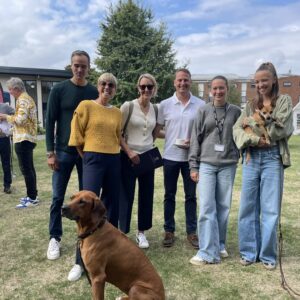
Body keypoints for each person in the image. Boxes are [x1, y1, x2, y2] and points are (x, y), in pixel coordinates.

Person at [233, 62, 293, 270]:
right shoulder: (250, 104)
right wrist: (254, 139)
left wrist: (251, 128)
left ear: (274, 80)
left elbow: (281, 129)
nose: (260, 85)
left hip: (272, 158)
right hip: (251, 159)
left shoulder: (284, 101)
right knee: (247, 208)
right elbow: (236, 130)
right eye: (257, 81)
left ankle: (267, 255)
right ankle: (249, 253)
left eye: (264, 80)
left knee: (270, 209)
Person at [45, 50, 98, 282]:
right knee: (58, 198)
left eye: (84, 66)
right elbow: (50, 122)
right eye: (76, 65)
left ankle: (85, 241)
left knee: (84, 203)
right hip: (64, 153)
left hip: (87, 155)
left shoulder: (94, 91)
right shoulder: (59, 90)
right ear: (71, 66)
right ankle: (55, 237)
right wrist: (50, 152)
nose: (80, 69)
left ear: (89, 67)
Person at [69, 72, 121, 277]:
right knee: (85, 206)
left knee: (110, 205)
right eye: (103, 84)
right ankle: (79, 261)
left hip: (114, 160)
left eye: (111, 85)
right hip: (92, 158)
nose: (107, 87)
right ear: (98, 86)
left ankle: (112, 253)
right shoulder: (86, 105)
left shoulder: (117, 112)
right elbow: (77, 135)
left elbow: (118, 137)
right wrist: (88, 156)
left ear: (115, 89)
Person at [188, 75, 241, 265]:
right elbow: (195, 139)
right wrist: (193, 165)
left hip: (228, 165)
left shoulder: (236, 111)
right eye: (215, 88)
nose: (218, 92)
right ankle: (205, 251)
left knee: (223, 208)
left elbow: (241, 136)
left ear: (227, 89)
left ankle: (219, 244)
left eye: (222, 88)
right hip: (207, 164)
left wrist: (240, 154)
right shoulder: (203, 110)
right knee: (206, 207)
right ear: (210, 90)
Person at [155, 68, 205, 248]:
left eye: (186, 80)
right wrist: (170, 135)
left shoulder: (200, 105)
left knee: (191, 196)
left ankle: (192, 232)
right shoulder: (165, 105)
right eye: (179, 80)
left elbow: (204, 132)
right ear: (174, 82)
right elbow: (157, 130)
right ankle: (169, 230)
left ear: (190, 81)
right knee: (169, 195)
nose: (182, 83)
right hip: (170, 156)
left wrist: (193, 141)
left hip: (191, 159)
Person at [119, 73, 158, 248]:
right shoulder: (128, 106)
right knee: (126, 195)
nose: (146, 90)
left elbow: (155, 131)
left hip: (147, 157)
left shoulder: (156, 109)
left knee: (146, 195)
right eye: (143, 86)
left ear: (154, 88)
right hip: (127, 156)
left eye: (150, 86)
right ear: (138, 88)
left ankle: (141, 232)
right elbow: (117, 133)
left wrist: (149, 145)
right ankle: (123, 232)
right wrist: (129, 151)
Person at [0, 78, 38, 208]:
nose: (10, 92)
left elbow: (20, 120)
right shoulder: (27, 98)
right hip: (28, 137)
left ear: (16, 88)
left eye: (10, 89)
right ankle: (32, 195)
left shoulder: (22, 99)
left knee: (26, 169)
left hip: (24, 139)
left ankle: (32, 198)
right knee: (29, 169)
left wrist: (5, 117)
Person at [0, 103, 14, 194]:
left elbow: (16, 115)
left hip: (3, 138)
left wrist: (5, 117)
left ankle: (7, 186)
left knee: (6, 163)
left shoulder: (4, 107)